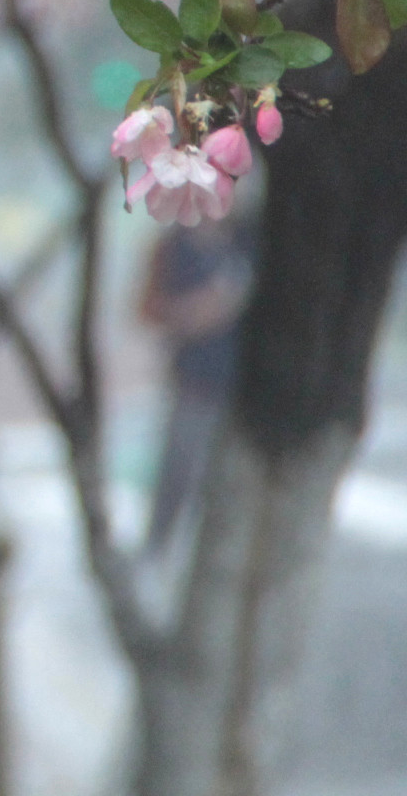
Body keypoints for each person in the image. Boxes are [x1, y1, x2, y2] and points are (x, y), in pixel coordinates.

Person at [138, 208, 252, 554]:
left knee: (231, 489)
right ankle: (157, 553)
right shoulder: (174, 245)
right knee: (178, 476)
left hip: (246, 392)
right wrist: (201, 311)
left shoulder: (250, 237)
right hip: (194, 385)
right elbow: (147, 310)